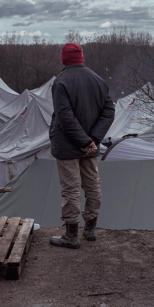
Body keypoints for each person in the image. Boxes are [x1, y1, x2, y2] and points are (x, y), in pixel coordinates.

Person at [49, 42, 115, 249]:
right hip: (89, 145)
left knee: (71, 189)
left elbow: (65, 117)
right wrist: (92, 139)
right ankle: (90, 228)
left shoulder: (61, 82)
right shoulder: (98, 80)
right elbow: (109, 112)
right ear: (81, 58)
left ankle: (71, 235)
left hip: (68, 145)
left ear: (64, 59)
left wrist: (86, 141)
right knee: (93, 185)